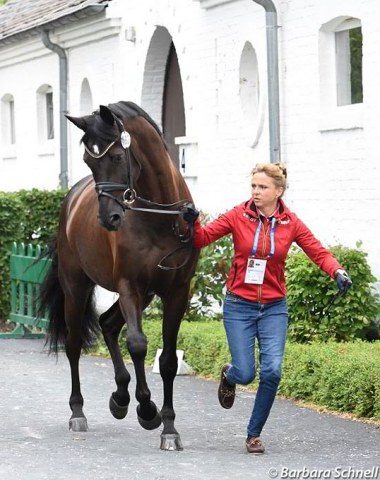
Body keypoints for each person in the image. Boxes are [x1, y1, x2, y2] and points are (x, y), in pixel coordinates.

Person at [183, 162, 352, 454]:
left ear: (278, 191)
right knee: (246, 373)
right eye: (254, 186)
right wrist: (192, 221)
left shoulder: (291, 222)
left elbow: (317, 251)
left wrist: (337, 271)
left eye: (263, 187)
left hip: (274, 306)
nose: (256, 192)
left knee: (272, 371)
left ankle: (253, 434)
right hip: (239, 305)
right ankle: (230, 374)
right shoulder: (239, 215)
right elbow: (202, 238)